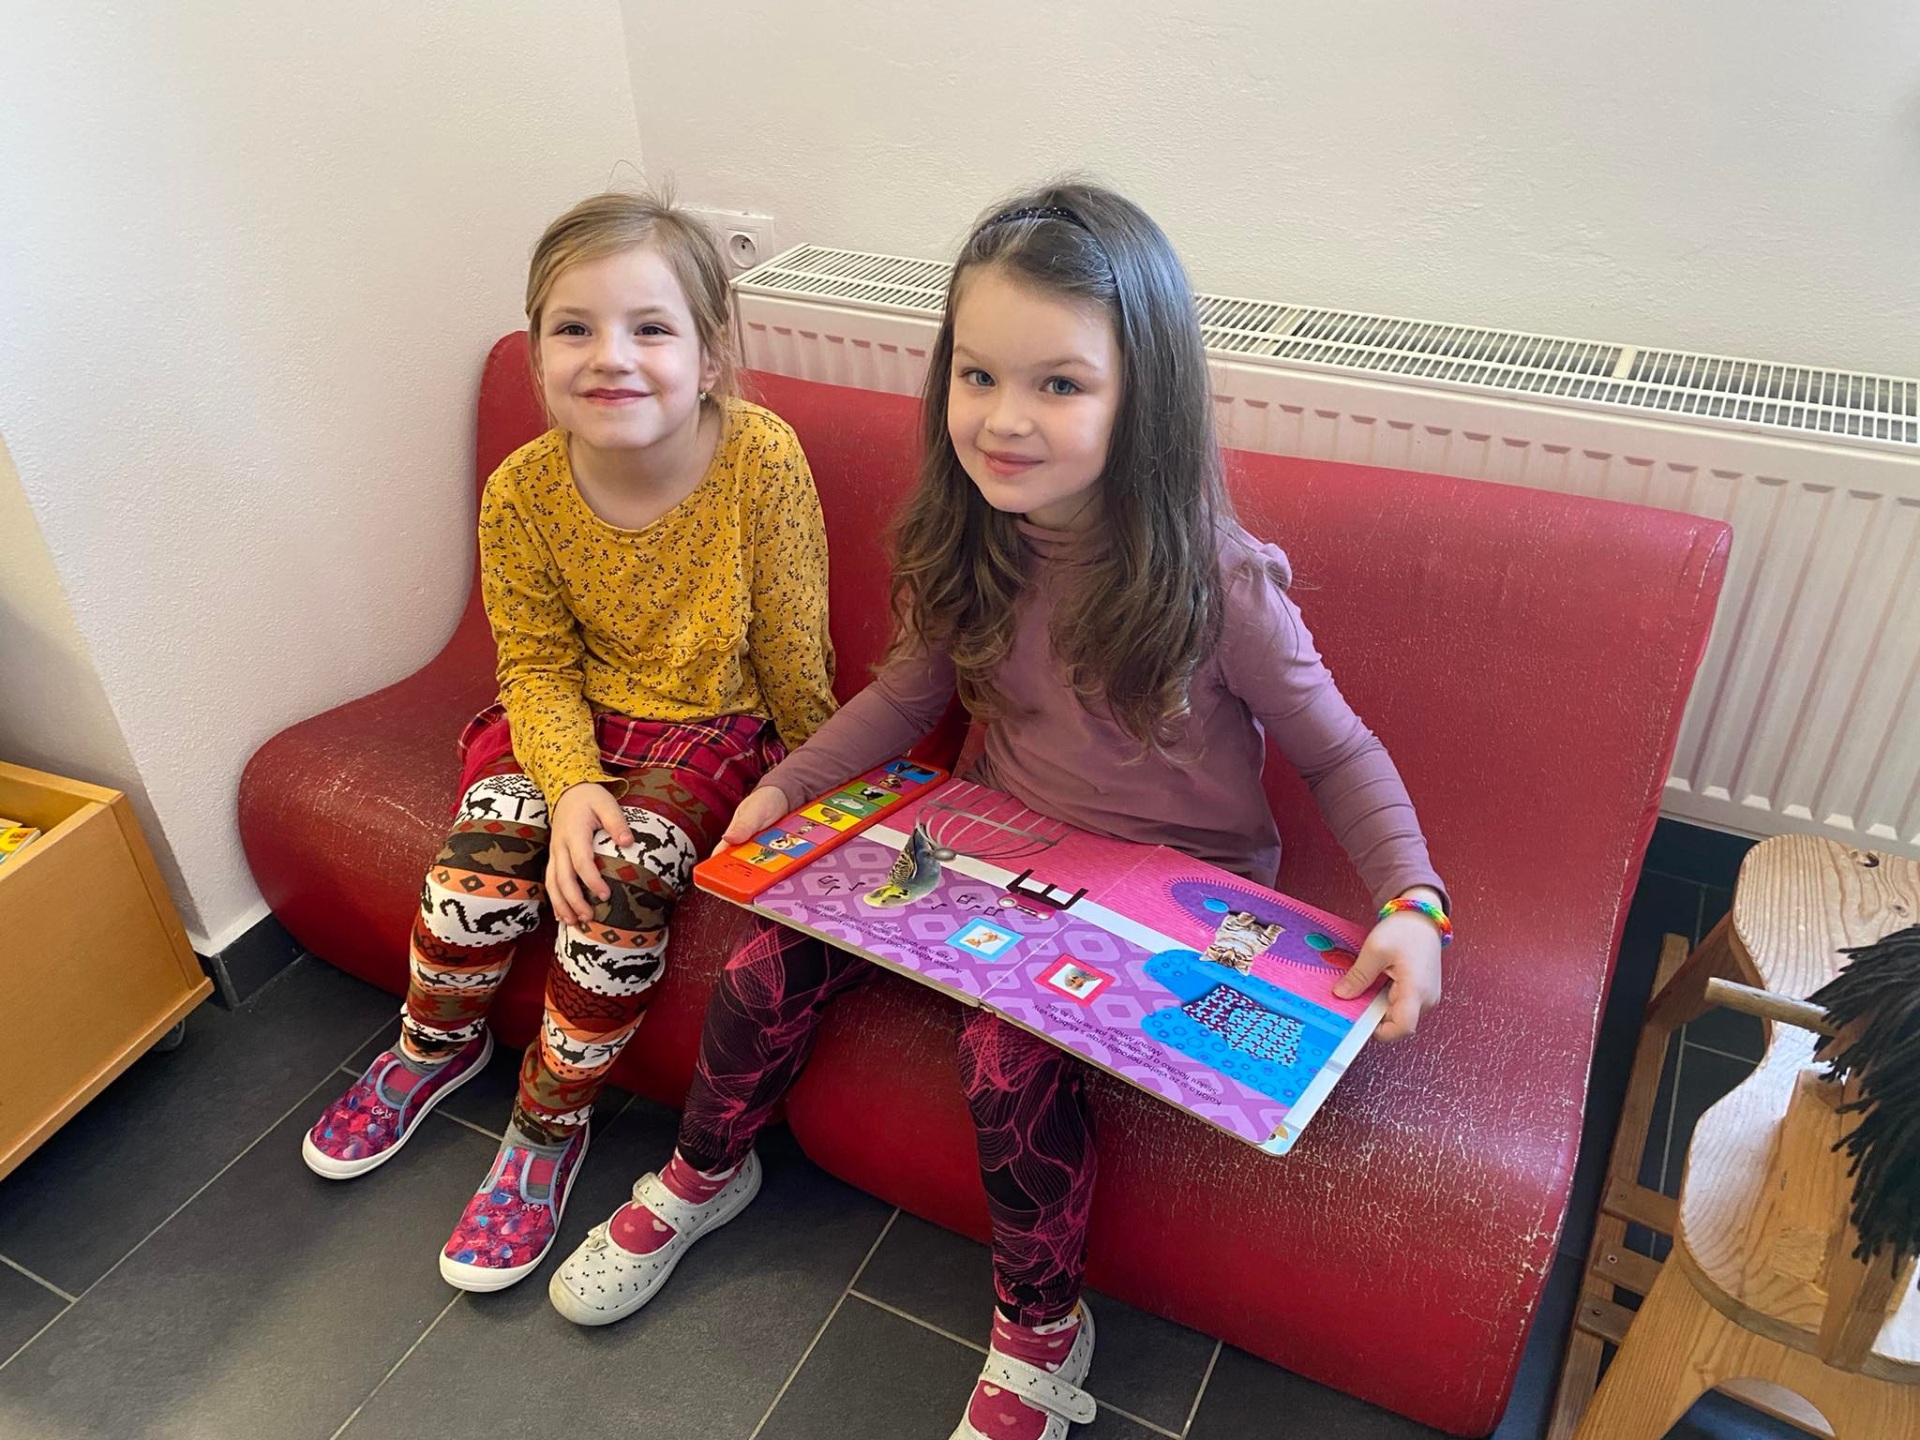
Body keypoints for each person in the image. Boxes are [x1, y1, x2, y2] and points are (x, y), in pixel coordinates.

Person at [551, 182, 1449, 1440]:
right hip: (986, 837)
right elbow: (902, 694)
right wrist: (786, 788)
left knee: (1002, 1059)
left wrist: (1414, 904)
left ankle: (1041, 1329)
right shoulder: (969, 535)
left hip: (1168, 887)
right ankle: (705, 1170)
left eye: (1059, 384)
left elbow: (1341, 753)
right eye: (977, 376)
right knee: (764, 960)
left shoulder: (1221, 579)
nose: (1005, 419)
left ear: (1143, 399)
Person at [300, 190, 835, 1294]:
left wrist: (821, 795)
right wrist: (571, 784)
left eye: (651, 327)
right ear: (538, 352)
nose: (611, 356)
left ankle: (548, 1124)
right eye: (574, 328)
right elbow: (536, 667)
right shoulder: (524, 491)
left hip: (705, 733)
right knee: (478, 867)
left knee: (615, 888)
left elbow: (794, 651)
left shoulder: (762, 459)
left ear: (709, 355)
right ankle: (432, 1046)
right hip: (564, 723)